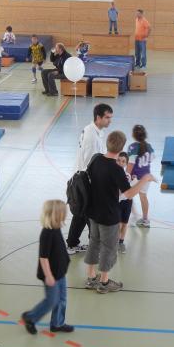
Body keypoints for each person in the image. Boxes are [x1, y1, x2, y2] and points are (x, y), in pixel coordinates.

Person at [85, 130, 155, 294]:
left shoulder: (96, 159)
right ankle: (104, 282)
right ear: (122, 148)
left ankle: (91, 277)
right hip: (109, 215)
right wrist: (144, 180)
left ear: (107, 142)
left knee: (94, 243)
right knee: (109, 248)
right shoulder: (116, 169)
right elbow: (128, 194)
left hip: (93, 212)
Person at [21, 200, 73, 335]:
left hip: (60, 272)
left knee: (62, 299)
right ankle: (30, 317)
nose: (65, 215)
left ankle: (57, 323)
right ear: (56, 215)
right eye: (63, 213)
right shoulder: (47, 233)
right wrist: (49, 276)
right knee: (51, 301)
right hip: (51, 275)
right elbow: (43, 258)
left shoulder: (56, 228)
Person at [67, 103, 113, 254]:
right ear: (98, 117)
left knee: (81, 213)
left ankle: (72, 244)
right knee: (91, 215)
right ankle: (95, 247)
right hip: (84, 182)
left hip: (82, 179)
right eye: (107, 117)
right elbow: (90, 165)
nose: (110, 121)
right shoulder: (92, 137)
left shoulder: (93, 130)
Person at [128, 124, 154, 229]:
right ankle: (145, 219)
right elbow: (151, 159)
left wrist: (126, 176)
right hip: (146, 177)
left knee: (127, 196)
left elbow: (130, 164)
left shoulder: (133, 147)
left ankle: (133, 217)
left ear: (133, 135)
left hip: (135, 178)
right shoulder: (149, 146)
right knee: (143, 196)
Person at [116, 152, 133, 254]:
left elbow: (125, 190)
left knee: (124, 223)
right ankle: (115, 242)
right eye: (118, 160)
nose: (120, 163)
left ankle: (121, 242)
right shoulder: (112, 173)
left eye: (123, 161)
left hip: (127, 202)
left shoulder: (127, 175)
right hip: (117, 202)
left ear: (126, 164)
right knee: (118, 224)